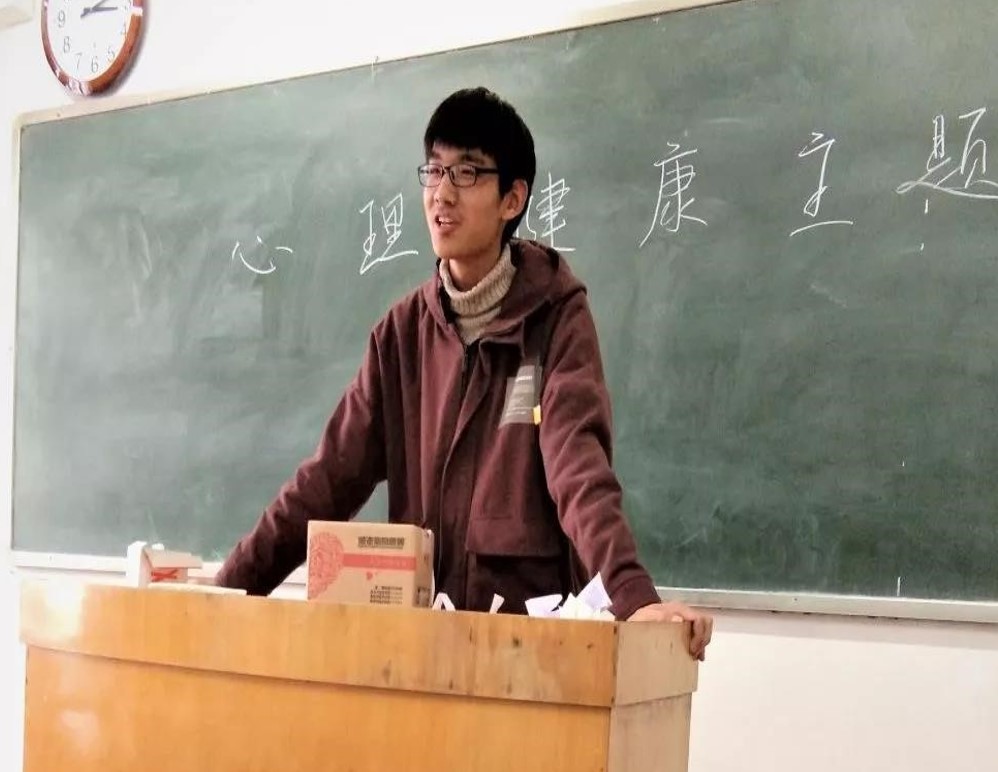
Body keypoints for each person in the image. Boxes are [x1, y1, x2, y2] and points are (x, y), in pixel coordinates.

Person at [216, 86, 713, 660]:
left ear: (512, 199)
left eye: (468, 173)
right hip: (420, 650)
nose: (442, 194)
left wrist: (633, 596)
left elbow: (578, 468)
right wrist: (225, 590)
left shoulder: (556, 319)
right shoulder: (400, 336)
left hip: (530, 653)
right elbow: (324, 482)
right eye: (433, 171)